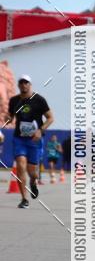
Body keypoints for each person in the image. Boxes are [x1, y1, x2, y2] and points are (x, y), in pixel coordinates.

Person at [4, 75, 54, 208]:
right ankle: (24, 199)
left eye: (26, 82)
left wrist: (40, 130)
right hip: (19, 139)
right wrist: (7, 118)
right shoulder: (14, 100)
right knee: (20, 166)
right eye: (21, 83)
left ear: (30, 84)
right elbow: (10, 117)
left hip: (34, 140)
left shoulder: (39, 100)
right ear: (18, 85)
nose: (23, 85)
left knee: (33, 173)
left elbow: (50, 118)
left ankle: (33, 182)